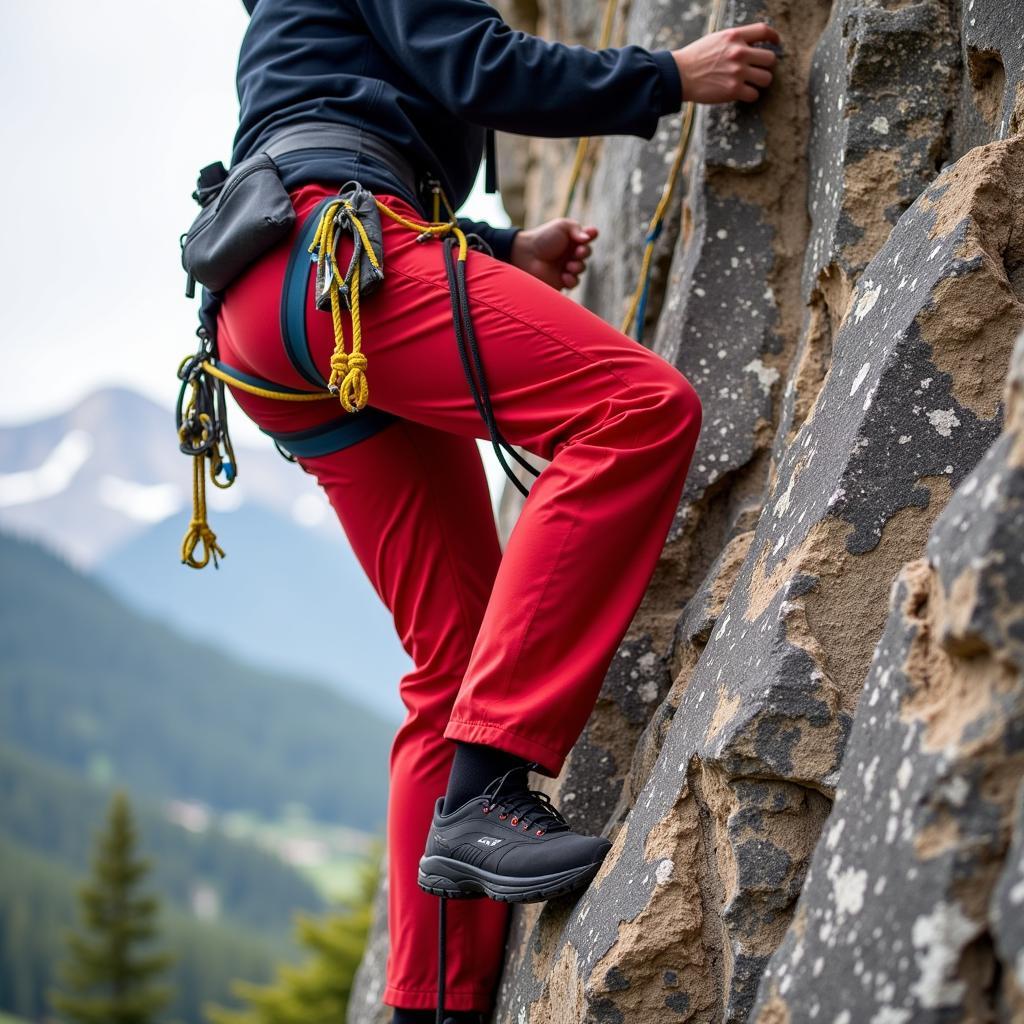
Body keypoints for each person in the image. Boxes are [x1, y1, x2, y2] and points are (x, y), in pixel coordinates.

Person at [211, 2, 779, 1021]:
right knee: (634, 409)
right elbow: (472, 65)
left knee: (452, 664)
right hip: (341, 263)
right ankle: (483, 796)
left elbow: (336, 121)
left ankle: (434, 1005)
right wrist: (665, 75)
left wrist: (493, 244)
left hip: (266, 306)